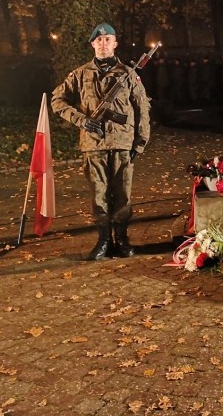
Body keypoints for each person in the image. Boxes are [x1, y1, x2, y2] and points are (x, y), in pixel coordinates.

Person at [51, 23, 151, 259]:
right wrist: (81, 120)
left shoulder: (128, 74)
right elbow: (57, 100)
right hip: (93, 145)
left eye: (108, 39)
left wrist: (140, 143)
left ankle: (122, 239)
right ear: (93, 44)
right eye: (99, 40)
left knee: (122, 195)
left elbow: (142, 108)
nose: (103, 44)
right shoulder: (80, 74)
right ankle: (104, 241)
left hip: (122, 143)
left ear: (115, 44)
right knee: (99, 195)